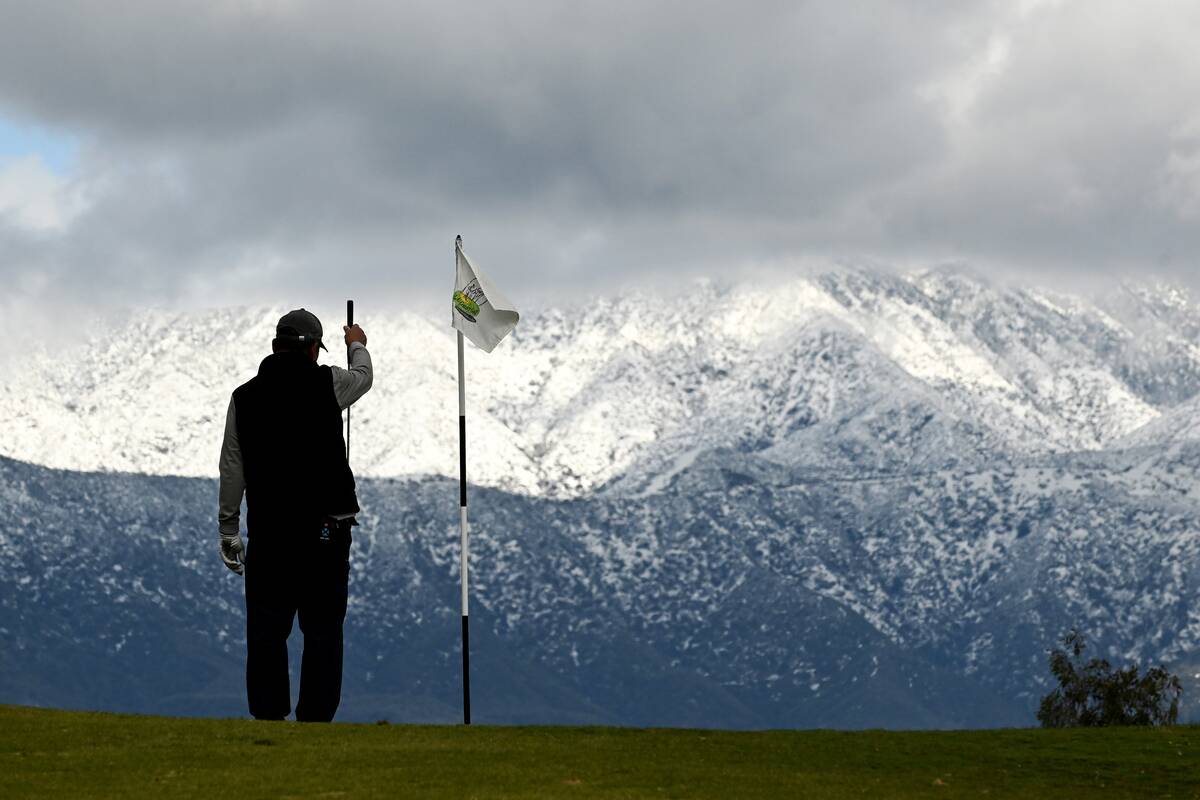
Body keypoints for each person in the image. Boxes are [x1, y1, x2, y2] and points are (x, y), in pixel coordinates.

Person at [217, 308, 373, 722]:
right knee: (322, 630)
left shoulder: (244, 397)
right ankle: (316, 720)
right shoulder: (327, 383)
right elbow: (364, 378)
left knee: (267, 632)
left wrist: (228, 528)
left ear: (277, 344)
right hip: (326, 531)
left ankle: (268, 716)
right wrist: (356, 342)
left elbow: (233, 468)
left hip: (269, 534)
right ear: (311, 348)